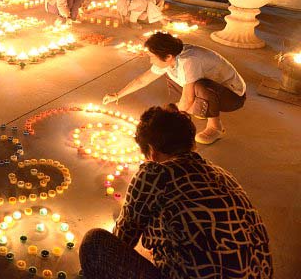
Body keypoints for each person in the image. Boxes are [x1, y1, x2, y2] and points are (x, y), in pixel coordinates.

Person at [80, 105, 272, 279]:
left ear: (152, 152)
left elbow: (123, 239)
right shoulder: (223, 176)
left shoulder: (155, 173)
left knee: (95, 243)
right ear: (192, 144)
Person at [103, 32, 246, 144]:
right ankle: (200, 107)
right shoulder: (171, 58)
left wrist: (168, 126)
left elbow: (188, 97)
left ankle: (215, 126)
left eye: (152, 56)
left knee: (200, 87)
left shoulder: (189, 61)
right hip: (212, 89)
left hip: (232, 96)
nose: (150, 60)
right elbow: (142, 80)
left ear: (168, 56)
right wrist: (117, 95)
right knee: (173, 77)